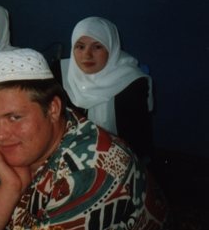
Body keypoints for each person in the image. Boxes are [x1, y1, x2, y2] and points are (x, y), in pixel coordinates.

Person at [0, 48, 177, 230]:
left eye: (14, 117)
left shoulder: (95, 169)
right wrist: (9, 190)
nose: (0, 135)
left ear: (53, 109)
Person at [57, 16, 153, 160]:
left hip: (118, 159)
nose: (87, 55)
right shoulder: (60, 74)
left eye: (97, 46)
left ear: (111, 48)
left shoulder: (132, 82)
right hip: (68, 154)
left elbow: (137, 140)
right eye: (80, 46)